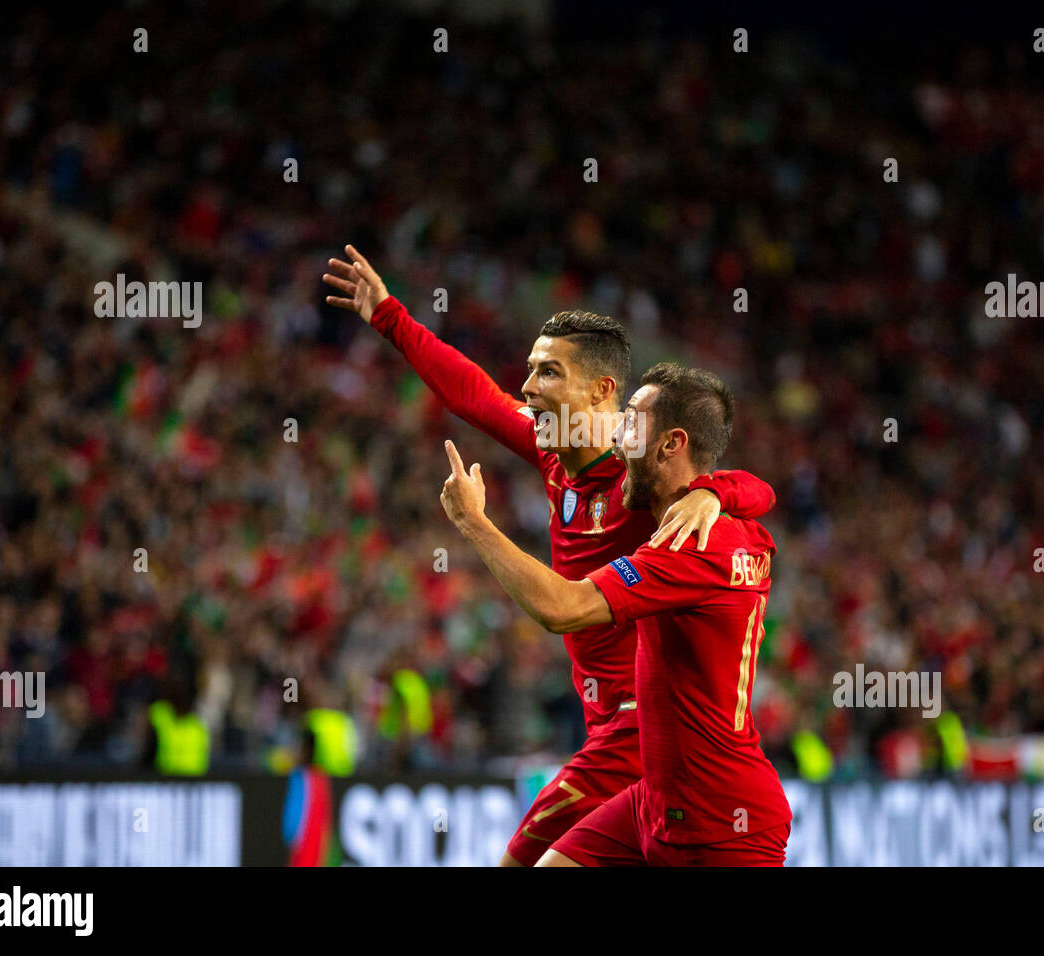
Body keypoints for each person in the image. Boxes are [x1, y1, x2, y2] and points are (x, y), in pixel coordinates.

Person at [324, 246, 776, 865]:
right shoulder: (558, 452)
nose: (528, 387)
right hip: (607, 727)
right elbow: (473, 395)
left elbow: (755, 488)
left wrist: (712, 492)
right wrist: (389, 316)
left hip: (639, 729)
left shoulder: (637, 472)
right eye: (533, 371)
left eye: (548, 374)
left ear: (603, 392)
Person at [440, 362, 791, 866]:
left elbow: (561, 609)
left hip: (721, 824)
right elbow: (761, 493)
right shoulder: (726, 527)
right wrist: (717, 490)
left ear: (671, 444)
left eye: (630, 421)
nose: (616, 434)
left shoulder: (687, 548)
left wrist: (475, 523)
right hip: (653, 800)